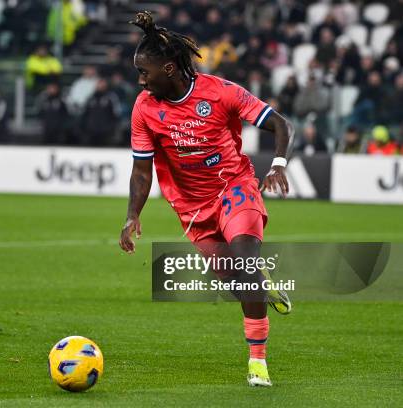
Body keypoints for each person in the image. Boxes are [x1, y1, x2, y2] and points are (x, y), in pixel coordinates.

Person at [119, 12, 293, 387]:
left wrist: (277, 164)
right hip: (191, 206)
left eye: (145, 72)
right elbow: (141, 169)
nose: (141, 80)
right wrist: (132, 214)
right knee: (233, 278)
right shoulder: (144, 108)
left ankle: (257, 362)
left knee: (244, 263)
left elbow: (280, 123)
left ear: (169, 68)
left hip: (234, 187)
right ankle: (260, 284)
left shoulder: (220, 91)